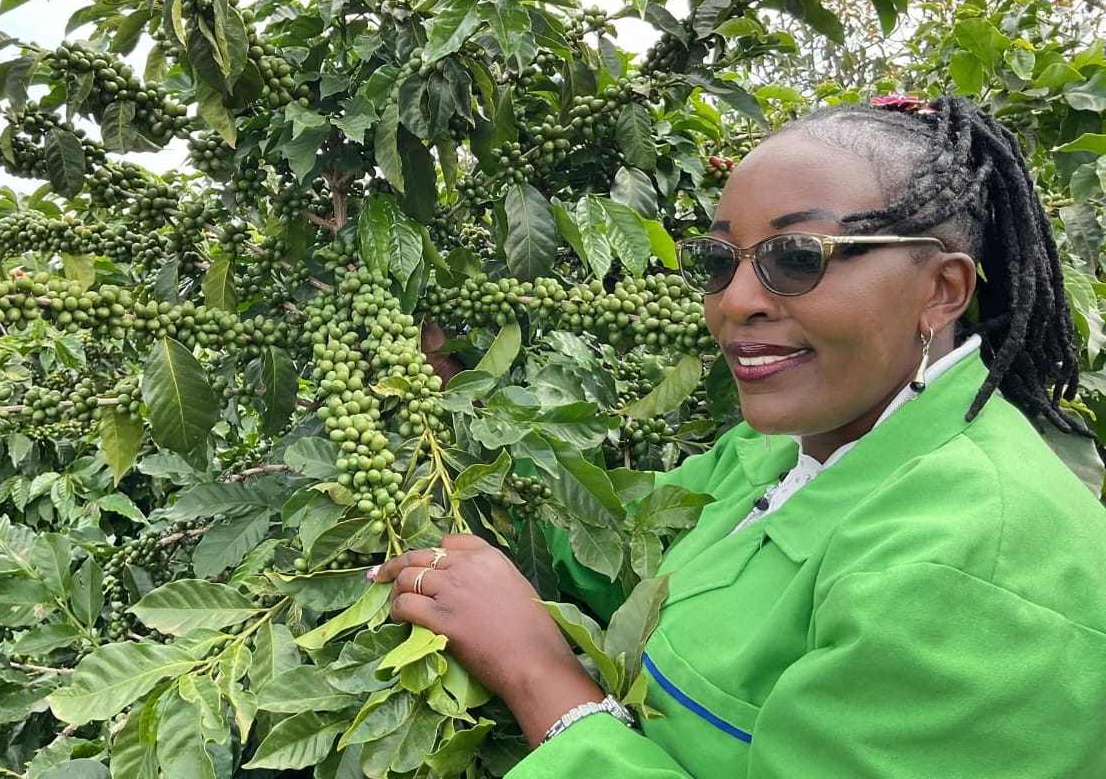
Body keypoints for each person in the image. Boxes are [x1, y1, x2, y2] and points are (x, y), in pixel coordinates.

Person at [374, 95, 1106, 777]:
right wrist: (448, 400)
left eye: (798, 258)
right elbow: (607, 538)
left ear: (941, 289)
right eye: (720, 262)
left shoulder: (976, 573)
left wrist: (537, 674)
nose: (737, 302)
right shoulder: (782, 450)